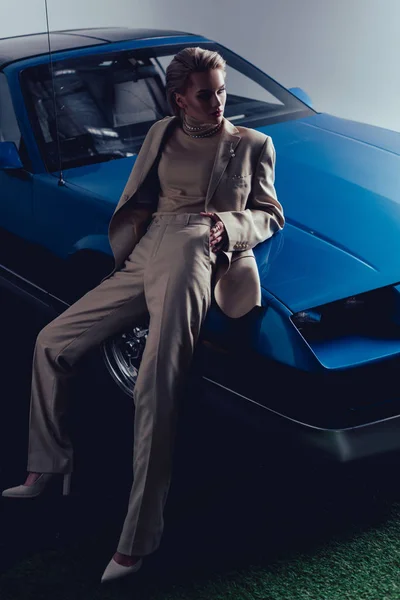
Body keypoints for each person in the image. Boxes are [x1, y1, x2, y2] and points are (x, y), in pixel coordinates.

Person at [1, 47, 285, 583]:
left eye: (222, 90)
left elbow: (270, 213)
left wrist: (231, 227)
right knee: (52, 343)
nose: (219, 101)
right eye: (207, 94)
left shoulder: (251, 144)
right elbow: (142, 195)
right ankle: (48, 465)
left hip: (196, 249)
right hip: (147, 247)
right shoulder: (159, 132)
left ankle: (136, 541)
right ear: (180, 99)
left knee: (157, 385)